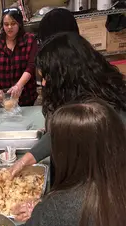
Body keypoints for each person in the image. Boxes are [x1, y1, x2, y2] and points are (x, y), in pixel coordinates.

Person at [9, 32, 126, 178]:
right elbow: (61, 132)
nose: (44, 83)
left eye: (47, 77)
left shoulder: (101, 112)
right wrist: (25, 161)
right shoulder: (82, 92)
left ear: (67, 75)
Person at [0, 7, 38, 108]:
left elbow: (31, 66)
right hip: (2, 99)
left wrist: (18, 86)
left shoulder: (30, 40)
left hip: (25, 97)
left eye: (13, 23)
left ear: (19, 24)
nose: (9, 27)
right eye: (6, 24)